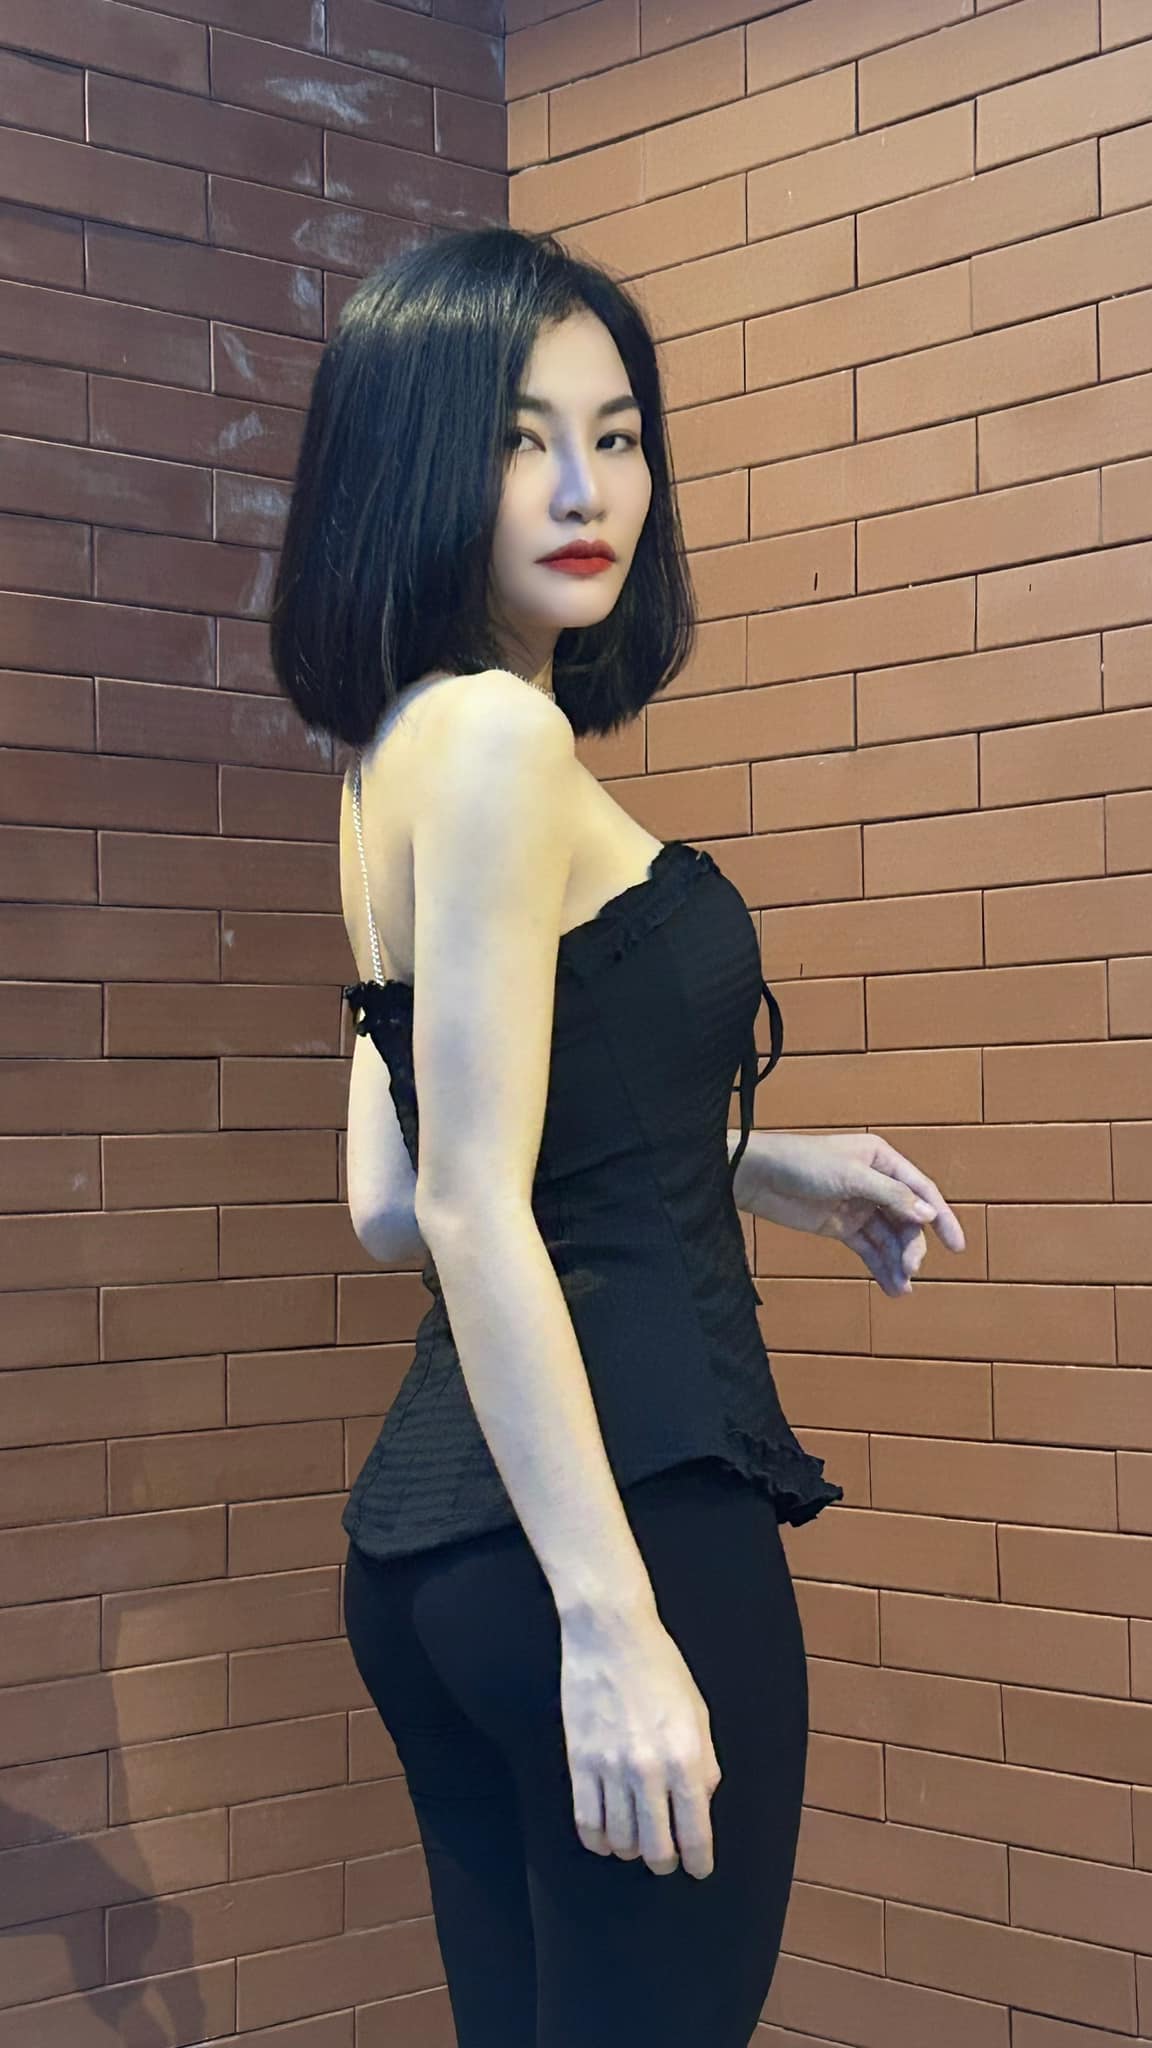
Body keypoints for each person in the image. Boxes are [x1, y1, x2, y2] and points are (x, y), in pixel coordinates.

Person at [270, 226, 964, 2046]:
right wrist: (613, 1620)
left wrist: (752, 1165)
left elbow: (389, 1195)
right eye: (523, 439)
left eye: (621, 435)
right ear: (417, 454)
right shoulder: (502, 743)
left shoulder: (391, 756)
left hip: (425, 1573)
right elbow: (464, 1206)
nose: (589, 491)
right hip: (617, 1521)